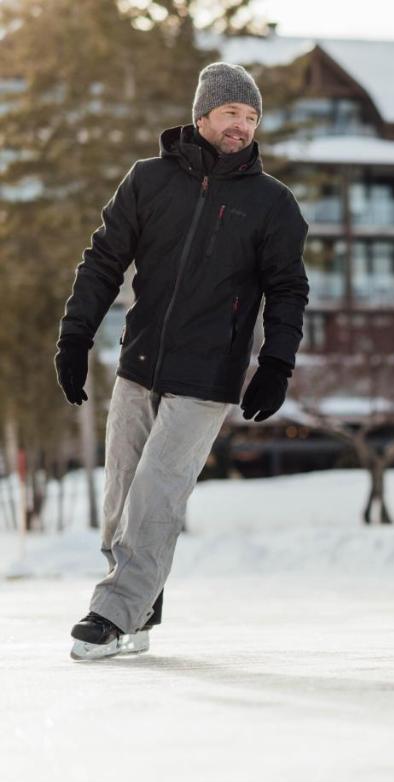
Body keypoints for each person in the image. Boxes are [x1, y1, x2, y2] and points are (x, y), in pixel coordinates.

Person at [55, 62, 310, 660]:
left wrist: (276, 362)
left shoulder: (273, 204)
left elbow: (288, 289)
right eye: (231, 114)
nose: (242, 127)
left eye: (251, 118)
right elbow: (102, 261)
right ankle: (144, 604)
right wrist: (75, 337)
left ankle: (112, 614)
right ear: (202, 117)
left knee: (156, 493)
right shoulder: (148, 181)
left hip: (207, 376)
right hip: (140, 362)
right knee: (120, 496)